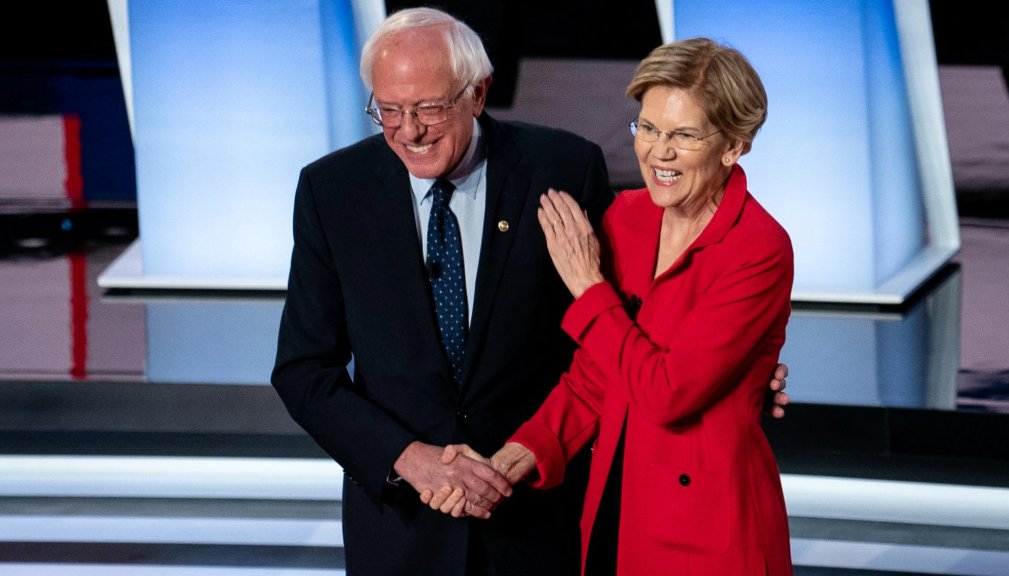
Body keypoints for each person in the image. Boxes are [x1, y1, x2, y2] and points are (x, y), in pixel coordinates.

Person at [271, 8, 789, 575]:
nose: (410, 129)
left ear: (478, 93)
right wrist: (485, 459)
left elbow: (640, 365)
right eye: (389, 110)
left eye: (430, 107)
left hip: (574, 528)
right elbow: (304, 369)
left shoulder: (566, 171)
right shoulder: (331, 190)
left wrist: (731, 372)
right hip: (410, 525)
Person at [425, 38, 794, 575]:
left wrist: (586, 284)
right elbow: (598, 375)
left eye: (683, 135)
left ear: (734, 146)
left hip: (708, 531)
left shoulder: (757, 248)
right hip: (616, 509)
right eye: (647, 128)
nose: (657, 152)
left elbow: (667, 392)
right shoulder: (627, 216)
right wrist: (514, 457)